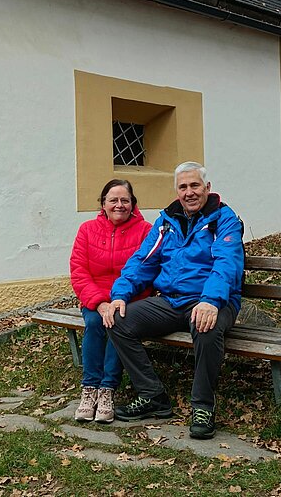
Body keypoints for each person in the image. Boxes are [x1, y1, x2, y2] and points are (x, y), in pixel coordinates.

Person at [103, 162, 244, 439]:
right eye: (183, 187)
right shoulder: (166, 222)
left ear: (207, 188)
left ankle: (203, 406)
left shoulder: (223, 219)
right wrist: (119, 295)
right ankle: (152, 396)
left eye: (194, 185)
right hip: (171, 301)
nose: (189, 192)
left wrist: (211, 300)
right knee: (117, 320)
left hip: (214, 300)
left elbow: (228, 262)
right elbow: (143, 261)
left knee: (206, 326)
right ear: (177, 191)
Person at [70, 179, 152, 424]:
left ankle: (107, 391)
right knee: (96, 322)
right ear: (103, 204)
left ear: (133, 204)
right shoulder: (87, 230)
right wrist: (99, 302)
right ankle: (89, 389)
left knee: (117, 322)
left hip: (130, 300)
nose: (119, 205)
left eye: (125, 200)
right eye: (113, 200)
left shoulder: (146, 230)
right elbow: (79, 271)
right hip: (96, 298)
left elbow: (146, 269)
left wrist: (119, 300)